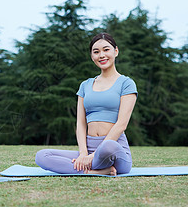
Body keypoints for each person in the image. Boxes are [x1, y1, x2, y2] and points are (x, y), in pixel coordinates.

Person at [35, 32, 137, 176]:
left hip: (114, 149)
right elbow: (81, 123)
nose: (101, 55)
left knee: (108, 147)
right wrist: (83, 154)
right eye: (96, 52)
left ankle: (90, 167)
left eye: (106, 49)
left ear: (116, 51)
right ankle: (97, 171)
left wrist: (94, 155)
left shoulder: (126, 83)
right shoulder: (85, 85)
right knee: (42, 156)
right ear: (92, 56)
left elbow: (122, 124)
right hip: (88, 149)